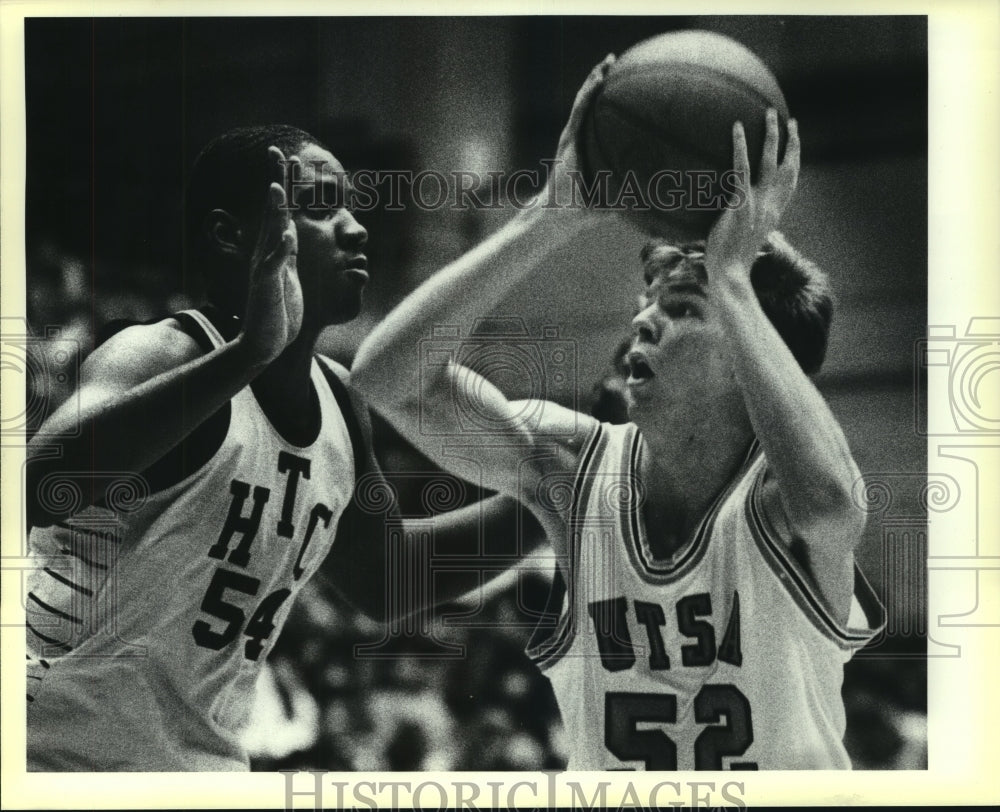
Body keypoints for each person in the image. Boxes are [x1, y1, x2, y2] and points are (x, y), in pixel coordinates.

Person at [351, 57, 885, 769]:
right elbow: (386, 380)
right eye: (645, 302)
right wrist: (544, 218)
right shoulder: (570, 468)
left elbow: (829, 504)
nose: (641, 322)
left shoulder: (781, 500)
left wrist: (731, 274)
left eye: (682, 307)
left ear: (754, 353)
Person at [23, 124, 541, 771]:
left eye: (351, 206)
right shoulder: (164, 353)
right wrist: (245, 357)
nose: (356, 228)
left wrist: (546, 499)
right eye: (321, 206)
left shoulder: (342, 404)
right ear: (232, 235)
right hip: (50, 757)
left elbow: (386, 581)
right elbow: (39, 486)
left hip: (198, 764)